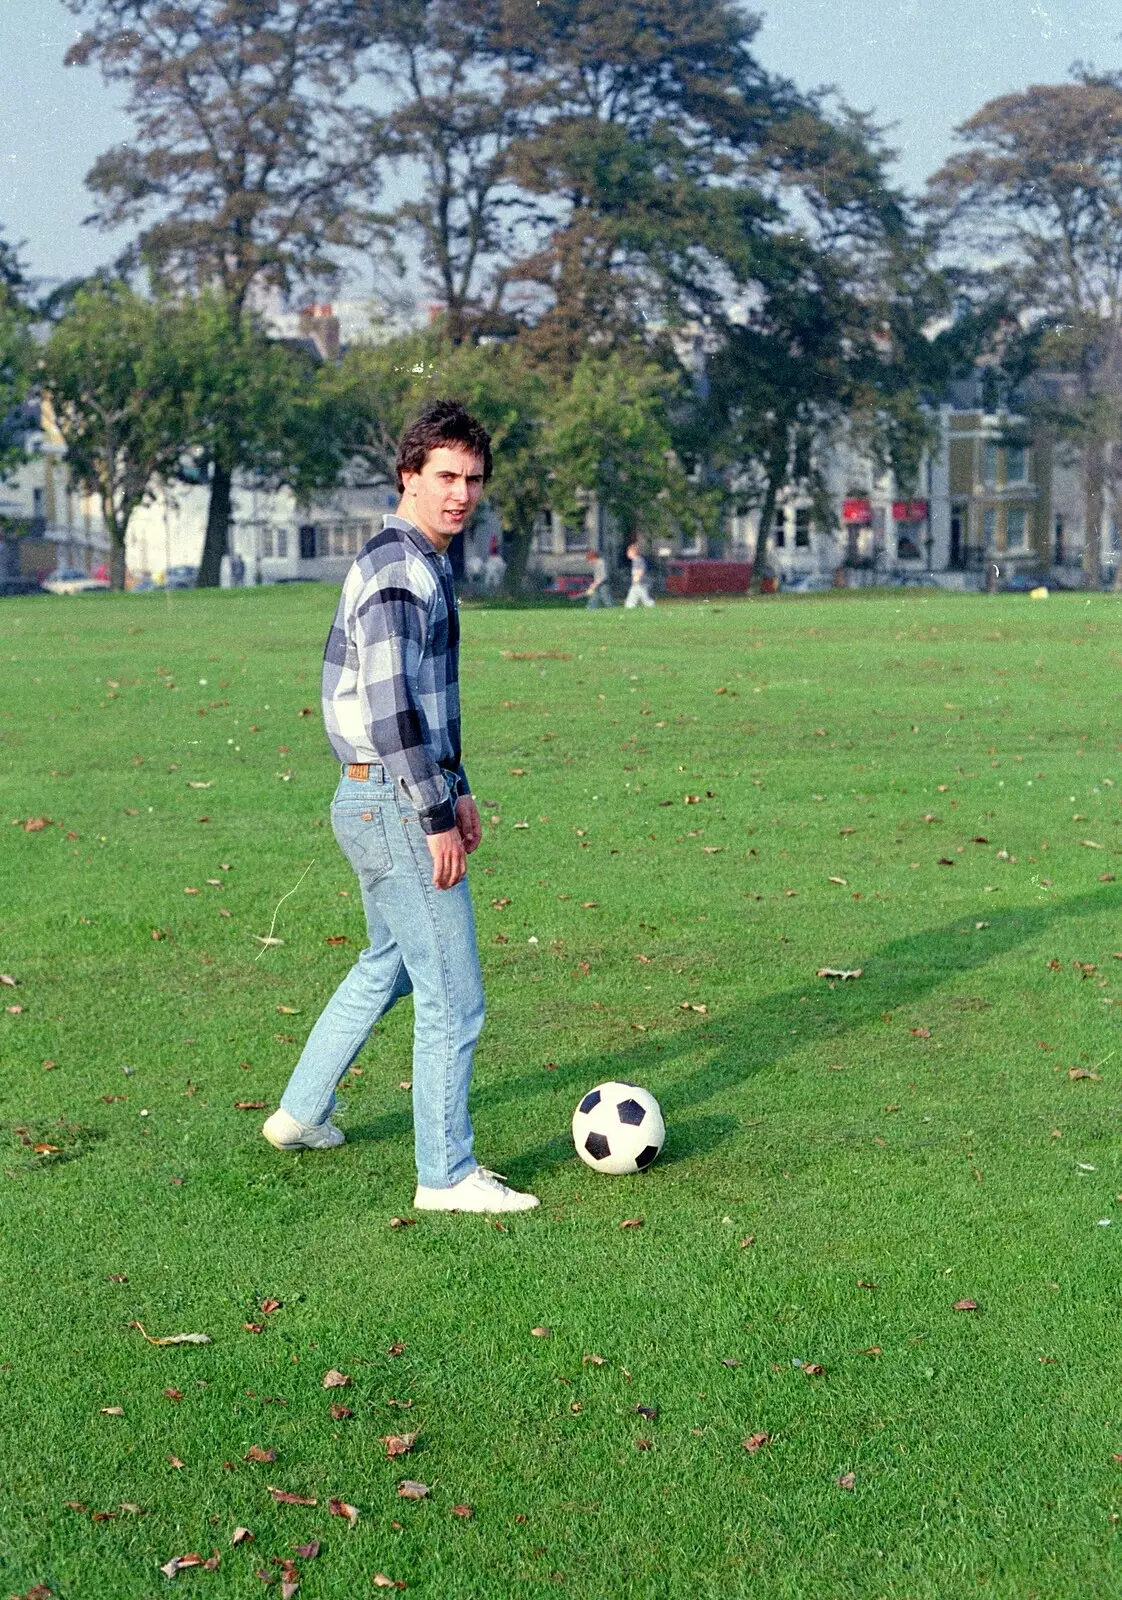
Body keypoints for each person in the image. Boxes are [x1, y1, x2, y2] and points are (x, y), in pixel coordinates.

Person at [262, 398, 539, 1215]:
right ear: (408, 477)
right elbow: (388, 711)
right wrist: (433, 814)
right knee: (454, 996)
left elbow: (423, 699)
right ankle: (446, 1174)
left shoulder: (420, 559)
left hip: (381, 796)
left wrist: (460, 786)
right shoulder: (398, 569)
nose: (461, 493)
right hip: (389, 801)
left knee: (388, 964)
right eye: (445, 476)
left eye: (474, 479)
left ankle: (300, 1111)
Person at [623, 540, 655, 608]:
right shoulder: (635, 561)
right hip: (637, 584)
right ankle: (629, 606)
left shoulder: (638, 560)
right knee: (632, 597)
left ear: (633, 552)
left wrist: (637, 579)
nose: (627, 554)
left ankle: (650, 605)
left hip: (641, 583)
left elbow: (641, 570)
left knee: (645, 599)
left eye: (628, 552)